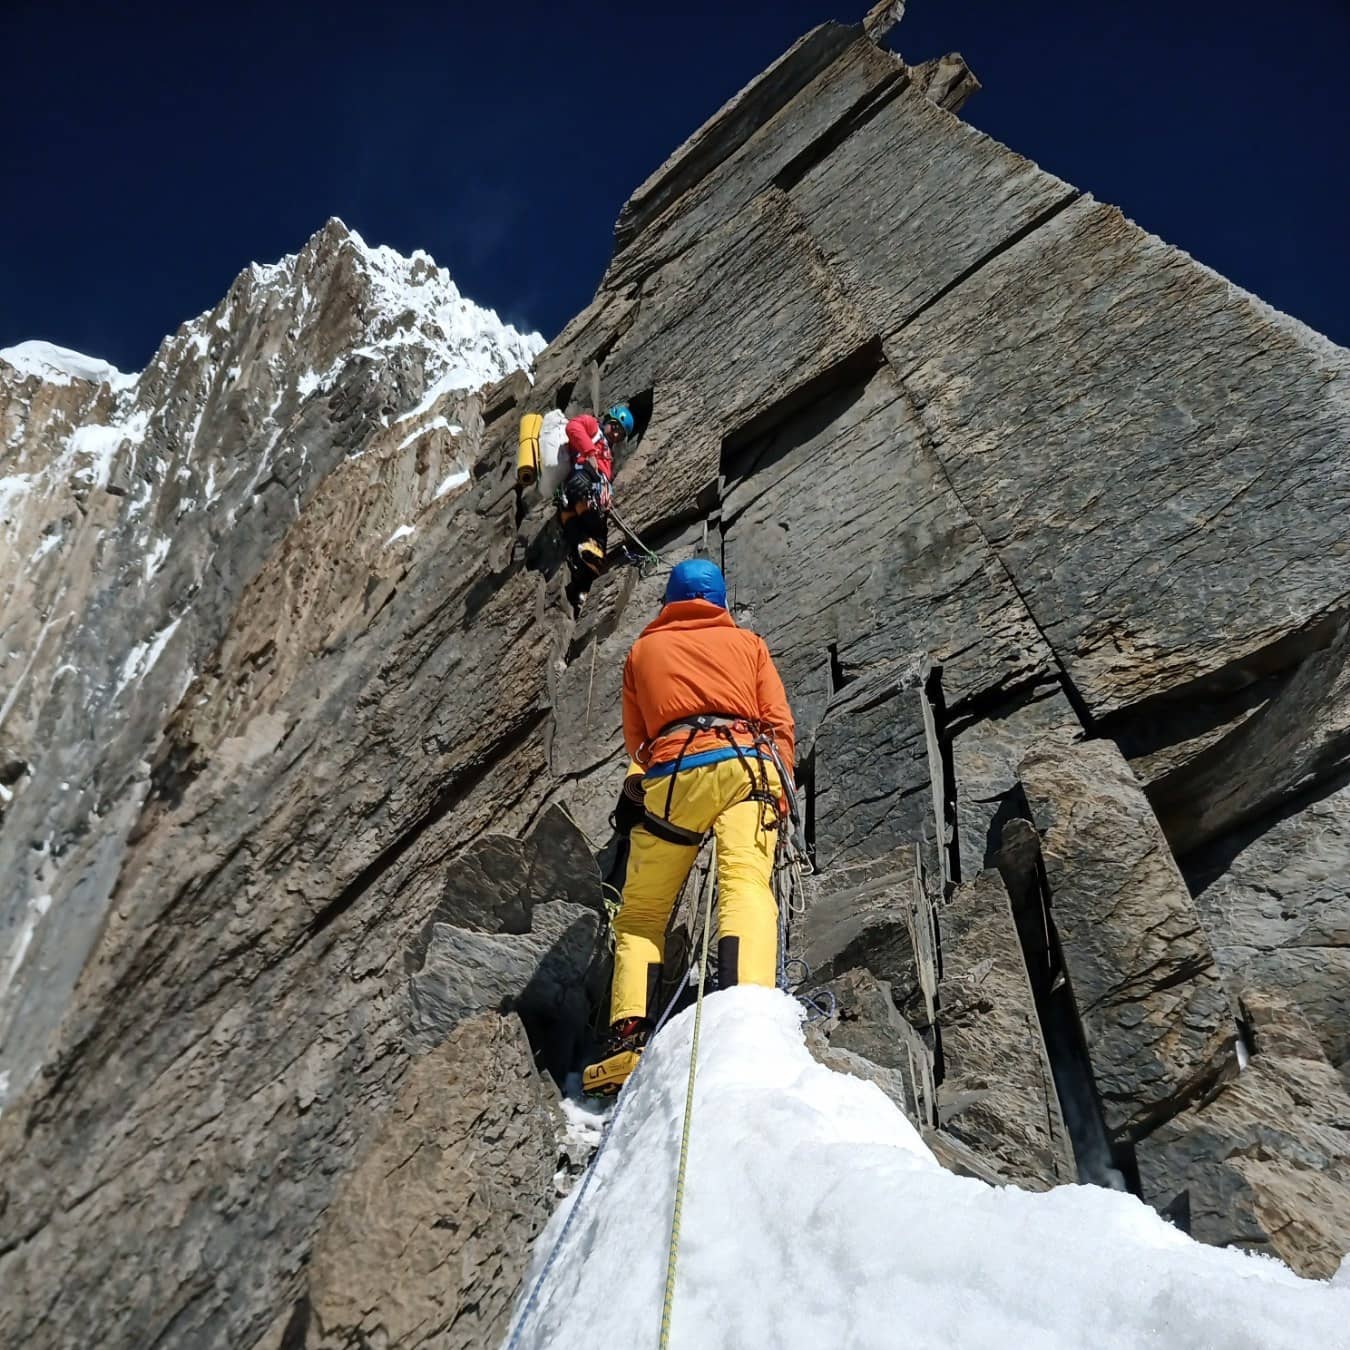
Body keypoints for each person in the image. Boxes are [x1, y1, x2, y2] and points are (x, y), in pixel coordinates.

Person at [582, 558, 795, 1095]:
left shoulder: (642, 652)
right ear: (719, 601)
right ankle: (745, 1009)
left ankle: (626, 1038)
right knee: (744, 883)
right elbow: (778, 721)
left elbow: (639, 742)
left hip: (677, 777)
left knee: (641, 916)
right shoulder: (749, 645)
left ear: (669, 602)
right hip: (749, 764)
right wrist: (780, 784)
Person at [555, 403, 634, 610]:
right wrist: (590, 452)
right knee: (598, 534)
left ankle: (581, 589)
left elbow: (605, 479)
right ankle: (589, 548)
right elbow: (573, 427)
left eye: (621, 433)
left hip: (581, 497)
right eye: (615, 427)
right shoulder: (592, 426)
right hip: (581, 484)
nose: (616, 434)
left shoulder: (608, 455)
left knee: (584, 537)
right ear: (608, 421)